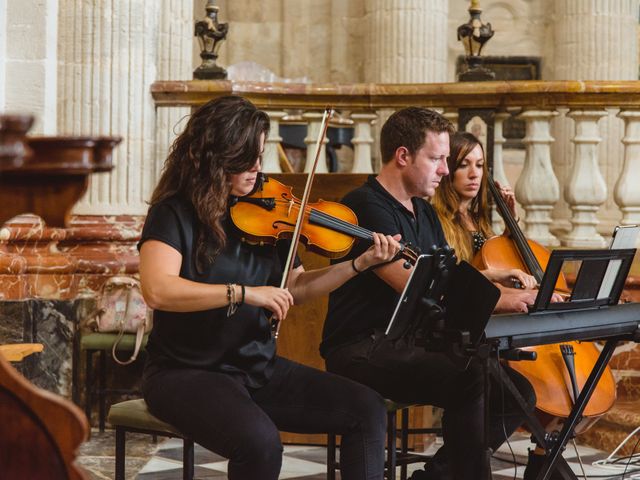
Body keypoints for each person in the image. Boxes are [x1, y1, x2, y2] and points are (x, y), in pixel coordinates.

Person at [137, 95, 403, 480]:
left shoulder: (267, 208)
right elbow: (158, 290)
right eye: (247, 158)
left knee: (366, 407)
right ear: (216, 156)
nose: (257, 168)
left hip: (255, 367)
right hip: (184, 373)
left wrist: (360, 264)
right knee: (260, 443)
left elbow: (296, 285)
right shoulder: (174, 212)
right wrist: (243, 292)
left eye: (260, 156)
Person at [321, 107, 538, 480]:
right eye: (437, 159)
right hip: (361, 348)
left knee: (516, 390)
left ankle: (434, 477)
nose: (443, 170)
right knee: (472, 374)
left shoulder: (423, 210)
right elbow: (417, 283)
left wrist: (502, 283)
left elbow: (453, 274)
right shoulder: (364, 205)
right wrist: (502, 300)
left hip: (409, 343)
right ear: (403, 156)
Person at [432, 130, 564, 480]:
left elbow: (502, 259)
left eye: (480, 165)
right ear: (447, 170)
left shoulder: (479, 222)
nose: (475, 174)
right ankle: (449, 469)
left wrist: (511, 223)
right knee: (516, 394)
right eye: (464, 166)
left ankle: (461, 466)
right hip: (464, 331)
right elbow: (458, 279)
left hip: (494, 326)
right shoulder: (437, 223)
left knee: (523, 391)